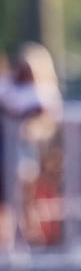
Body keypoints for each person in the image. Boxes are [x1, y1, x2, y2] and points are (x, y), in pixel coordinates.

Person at [0, 42, 62, 250]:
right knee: (9, 194)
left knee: (24, 189)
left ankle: (30, 233)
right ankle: (8, 238)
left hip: (32, 151)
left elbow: (43, 117)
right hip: (7, 150)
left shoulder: (43, 91)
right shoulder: (10, 86)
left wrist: (25, 123)